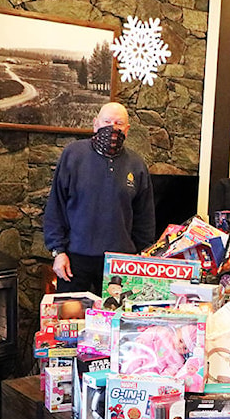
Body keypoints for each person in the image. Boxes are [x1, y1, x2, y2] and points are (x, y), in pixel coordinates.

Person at [44, 102, 155, 294]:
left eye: (119, 123)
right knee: (71, 320)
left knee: (116, 322)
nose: (113, 127)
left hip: (120, 265)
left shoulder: (137, 165)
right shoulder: (73, 155)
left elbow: (144, 218)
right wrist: (58, 251)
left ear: (127, 129)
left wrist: (142, 257)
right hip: (75, 260)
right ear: (95, 124)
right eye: (107, 121)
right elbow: (56, 207)